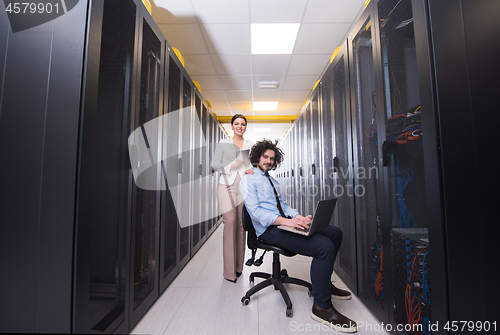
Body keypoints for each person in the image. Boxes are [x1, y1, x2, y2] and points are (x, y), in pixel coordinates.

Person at [239, 139, 357, 333]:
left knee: (334, 233)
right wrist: (287, 222)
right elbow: (257, 214)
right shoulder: (248, 180)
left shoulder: (273, 181)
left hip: (284, 224)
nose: (268, 161)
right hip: (268, 231)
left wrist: (299, 217)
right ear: (257, 157)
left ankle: (323, 285)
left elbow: (284, 207)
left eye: (272, 158)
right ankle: (322, 307)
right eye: (265, 157)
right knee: (323, 246)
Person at [211, 114, 255, 283]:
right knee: (230, 222)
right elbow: (215, 165)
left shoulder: (250, 144)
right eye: (237, 123)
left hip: (243, 186)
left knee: (241, 224)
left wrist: (250, 169)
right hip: (226, 185)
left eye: (243, 124)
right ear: (231, 126)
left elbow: (252, 164)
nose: (240, 126)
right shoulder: (224, 143)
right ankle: (229, 272)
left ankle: (238, 267)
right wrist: (231, 165)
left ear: (245, 127)